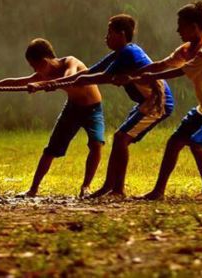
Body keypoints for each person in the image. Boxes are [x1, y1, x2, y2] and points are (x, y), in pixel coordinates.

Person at [30, 15, 174, 198]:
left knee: (121, 138)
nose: (106, 37)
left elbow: (100, 77)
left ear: (121, 35)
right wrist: (58, 82)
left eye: (109, 33)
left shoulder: (128, 53)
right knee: (120, 138)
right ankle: (112, 187)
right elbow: (91, 71)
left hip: (158, 102)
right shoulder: (120, 53)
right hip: (146, 102)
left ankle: (116, 189)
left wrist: (65, 81)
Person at [117, 2, 202, 200]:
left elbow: (177, 72)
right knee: (174, 142)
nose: (177, 30)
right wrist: (134, 74)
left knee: (196, 144)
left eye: (181, 25)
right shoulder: (187, 49)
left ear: (193, 27)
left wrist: (143, 77)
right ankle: (158, 192)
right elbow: (161, 64)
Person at [0, 38, 104, 197]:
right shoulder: (44, 74)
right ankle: (33, 189)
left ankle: (86, 187)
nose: (35, 71)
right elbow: (15, 82)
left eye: (35, 66)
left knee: (96, 144)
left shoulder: (70, 62)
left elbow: (71, 78)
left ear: (45, 61)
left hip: (93, 109)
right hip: (72, 109)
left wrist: (42, 85)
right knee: (51, 150)